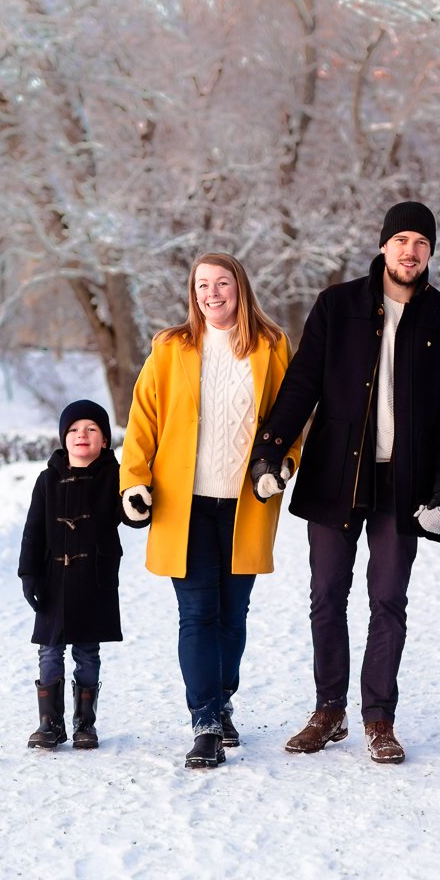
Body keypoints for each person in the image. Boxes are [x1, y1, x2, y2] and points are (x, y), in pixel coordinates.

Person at [249, 201, 440, 764]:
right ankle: (329, 711)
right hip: (335, 475)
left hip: (405, 484)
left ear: (430, 253)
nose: (410, 250)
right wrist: (270, 451)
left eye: (421, 242)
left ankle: (379, 719)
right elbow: (302, 383)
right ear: (383, 246)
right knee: (326, 596)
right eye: (401, 239)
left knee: (388, 599)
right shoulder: (338, 306)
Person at [119, 252, 299, 770]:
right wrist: (134, 480)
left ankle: (222, 700)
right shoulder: (171, 347)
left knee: (233, 614)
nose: (212, 294)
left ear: (240, 288)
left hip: (247, 503)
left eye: (222, 284)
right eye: (202, 285)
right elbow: (143, 419)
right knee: (197, 613)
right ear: (192, 292)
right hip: (185, 505)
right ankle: (205, 723)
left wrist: (282, 464)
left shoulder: (271, 345)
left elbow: (290, 421)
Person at [18, 398, 130, 751]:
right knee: (49, 651)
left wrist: (140, 501)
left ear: (105, 440)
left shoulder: (115, 476)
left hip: (93, 579)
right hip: (53, 578)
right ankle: (49, 723)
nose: (82, 435)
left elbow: (132, 513)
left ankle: (85, 723)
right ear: (64, 439)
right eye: (74, 430)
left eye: (92, 430)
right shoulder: (47, 480)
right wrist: (28, 573)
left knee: (87, 651)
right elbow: (33, 529)